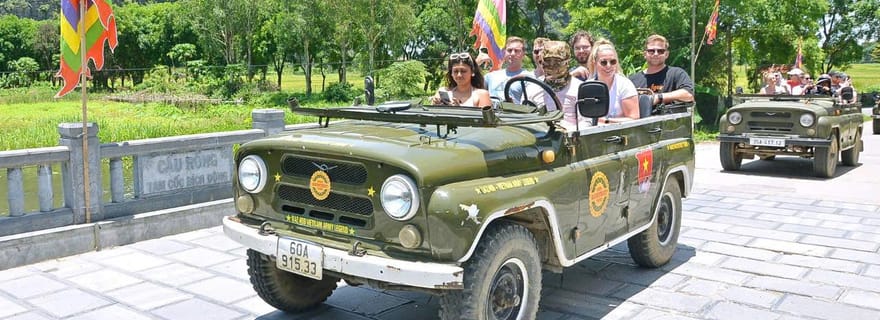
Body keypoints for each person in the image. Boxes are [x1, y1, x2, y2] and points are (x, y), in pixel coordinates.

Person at [523, 41, 588, 130]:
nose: (552, 66)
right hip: (539, 135)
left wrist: (568, 131)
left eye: (557, 62)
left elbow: (586, 123)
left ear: (567, 62)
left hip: (569, 135)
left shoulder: (580, 89)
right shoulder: (532, 88)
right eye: (547, 61)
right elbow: (523, 118)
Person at [628, 34, 694, 106]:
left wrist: (659, 97)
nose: (656, 54)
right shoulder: (632, 80)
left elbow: (688, 95)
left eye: (660, 51)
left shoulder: (677, 74)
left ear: (666, 54)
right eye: (651, 51)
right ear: (645, 54)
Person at [590, 39, 639, 123]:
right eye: (603, 62)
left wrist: (606, 121)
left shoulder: (625, 85)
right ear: (594, 62)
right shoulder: (588, 86)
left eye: (613, 62)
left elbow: (634, 118)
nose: (608, 66)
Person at [484, 36, 534, 103]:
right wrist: (477, 63)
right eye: (509, 50)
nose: (512, 54)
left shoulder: (529, 78)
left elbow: (528, 104)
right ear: (504, 52)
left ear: (523, 54)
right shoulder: (490, 76)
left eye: (517, 51)